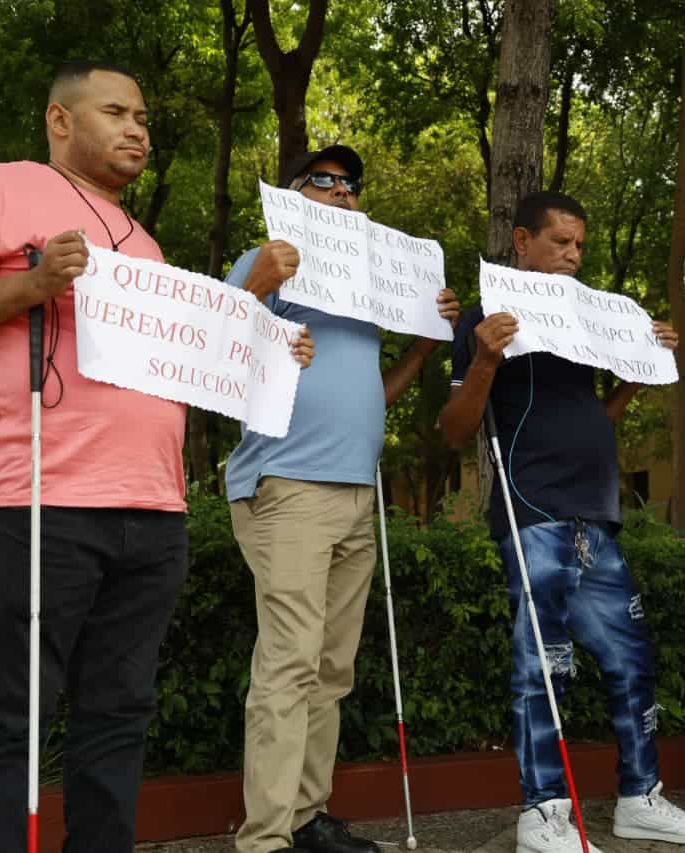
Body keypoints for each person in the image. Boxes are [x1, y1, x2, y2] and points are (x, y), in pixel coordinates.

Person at [0, 60, 309, 853]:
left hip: (154, 512)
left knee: (119, 717)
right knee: (15, 717)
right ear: (60, 121)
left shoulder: (146, 247)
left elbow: (190, 363)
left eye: (143, 118)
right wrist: (29, 286)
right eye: (117, 112)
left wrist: (265, 345)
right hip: (40, 500)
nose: (137, 130)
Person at [438, 191, 685, 853]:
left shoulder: (587, 317)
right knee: (544, 663)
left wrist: (641, 367)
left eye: (580, 245)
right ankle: (543, 811)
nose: (572, 255)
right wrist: (484, 358)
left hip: (596, 513)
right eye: (560, 242)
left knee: (630, 659)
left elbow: (597, 415)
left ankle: (640, 797)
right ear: (522, 241)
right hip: (533, 511)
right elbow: (454, 430)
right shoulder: (485, 315)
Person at [224, 143, 460, 853]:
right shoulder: (265, 260)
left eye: (350, 184)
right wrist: (258, 285)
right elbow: (212, 347)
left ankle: (305, 817)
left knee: (330, 669)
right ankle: (265, 839)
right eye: (322, 180)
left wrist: (422, 347)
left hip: (357, 491)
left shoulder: (364, 293)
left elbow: (373, 394)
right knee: (290, 663)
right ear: (291, 195)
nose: (341, 191)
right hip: (288, 485)